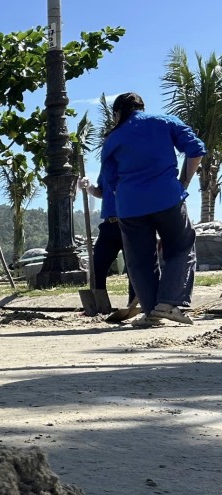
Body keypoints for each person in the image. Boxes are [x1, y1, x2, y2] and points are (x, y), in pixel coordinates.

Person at [100, 92, 206, 328]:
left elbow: (110, 179)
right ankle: (168, 303)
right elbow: (196, 150)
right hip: (167, 197)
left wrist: (126, 197)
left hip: (129, 206)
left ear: (117, 114)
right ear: (142, 107)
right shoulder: (164, 122)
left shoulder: (112, 138)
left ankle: (152, 312)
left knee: (139, 260)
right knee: (180, 247)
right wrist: (184, 182)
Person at [79, 175, 137, 320]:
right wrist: (89, 187)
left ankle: (134, 305)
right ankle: (99, 306)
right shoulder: (106, 167)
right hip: (109, 224)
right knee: (97, 265)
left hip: (131, 222)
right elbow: (101, 192)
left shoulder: (131, 165)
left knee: (133, 267)